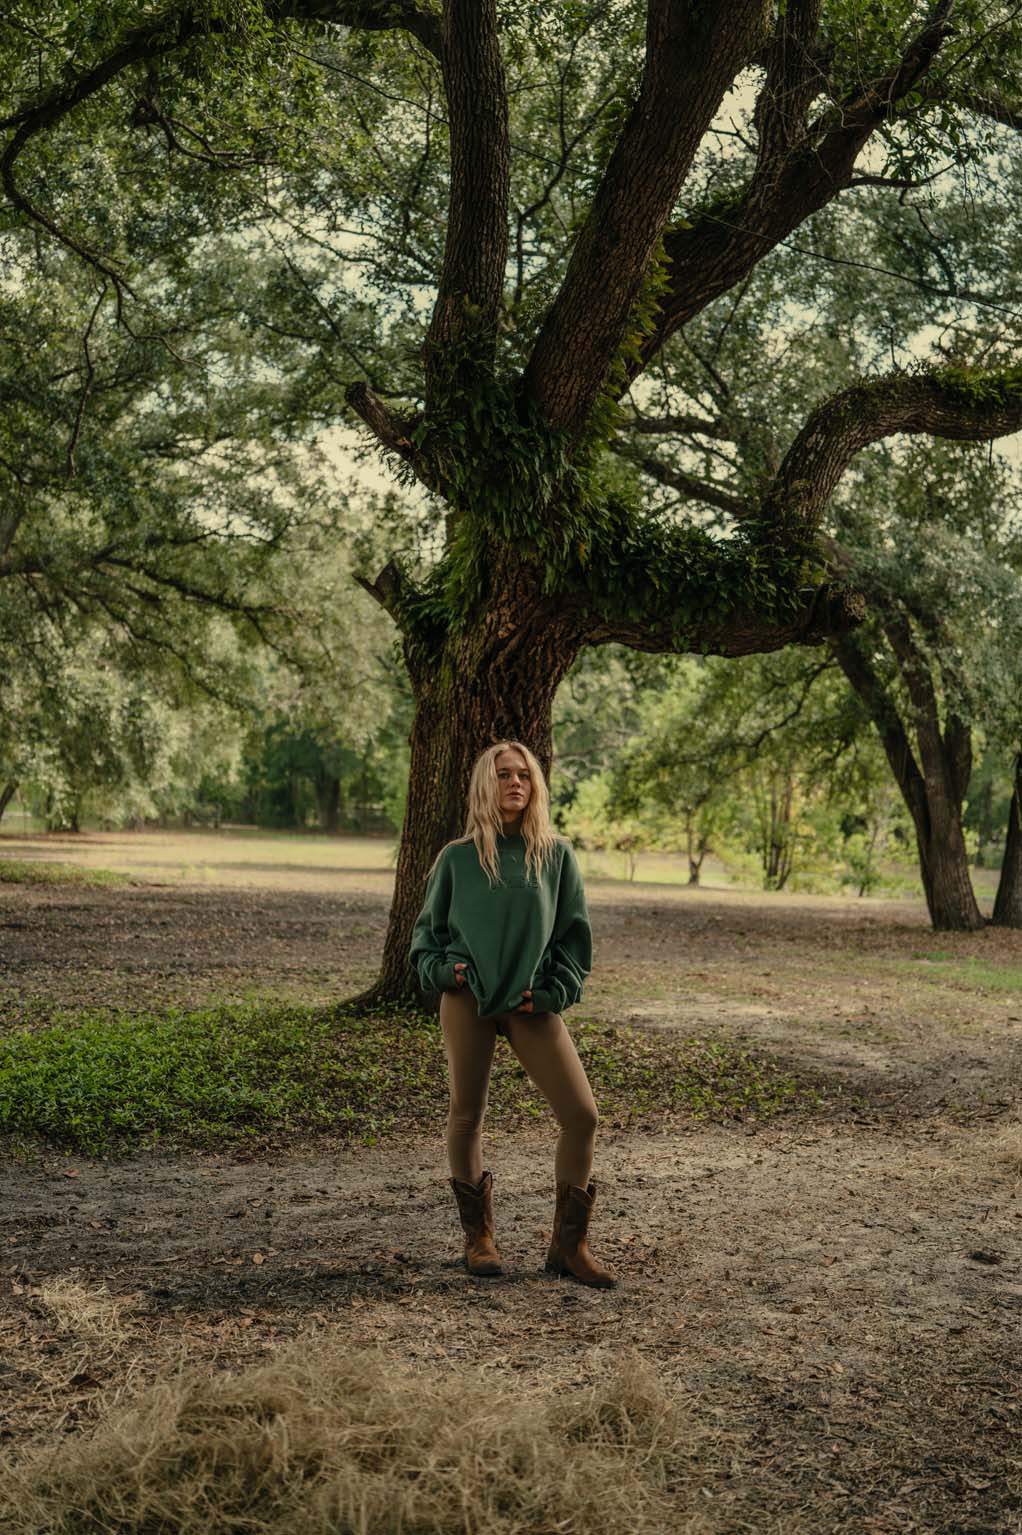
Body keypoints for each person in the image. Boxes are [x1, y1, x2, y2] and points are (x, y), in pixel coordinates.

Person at [410, 740, 616, 1289]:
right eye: (503, 774)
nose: (515, 783)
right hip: (468, 1001)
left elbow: (574, 938)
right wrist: (446, 974)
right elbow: (425, 940)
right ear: (485, 783)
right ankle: (479, 1240)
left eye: (524, 775)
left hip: (529, 1004)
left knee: (582, 1115)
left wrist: (551, 994)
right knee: (466, 1115)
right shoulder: (457, 857)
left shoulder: (555, 855)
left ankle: (568, 1247)